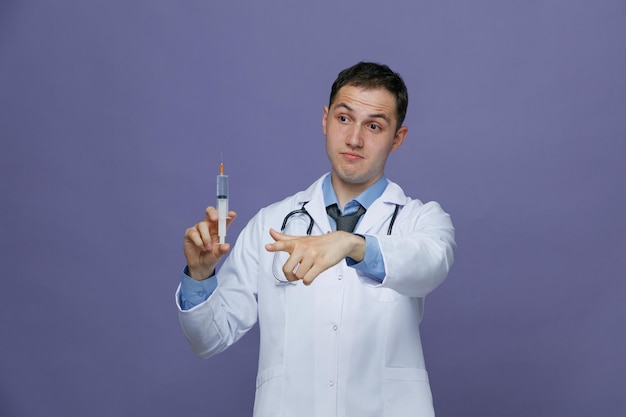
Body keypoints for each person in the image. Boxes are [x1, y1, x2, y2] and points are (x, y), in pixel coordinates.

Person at [176, 62, 456, 417]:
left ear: (397, 138)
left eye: (373, 126)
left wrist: (352, 244)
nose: (354, 138)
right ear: (325, 120)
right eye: (343, 119)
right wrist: (199, 276)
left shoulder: (421, 219)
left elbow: (429, 264)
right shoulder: (272, 223)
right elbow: (209, 339)